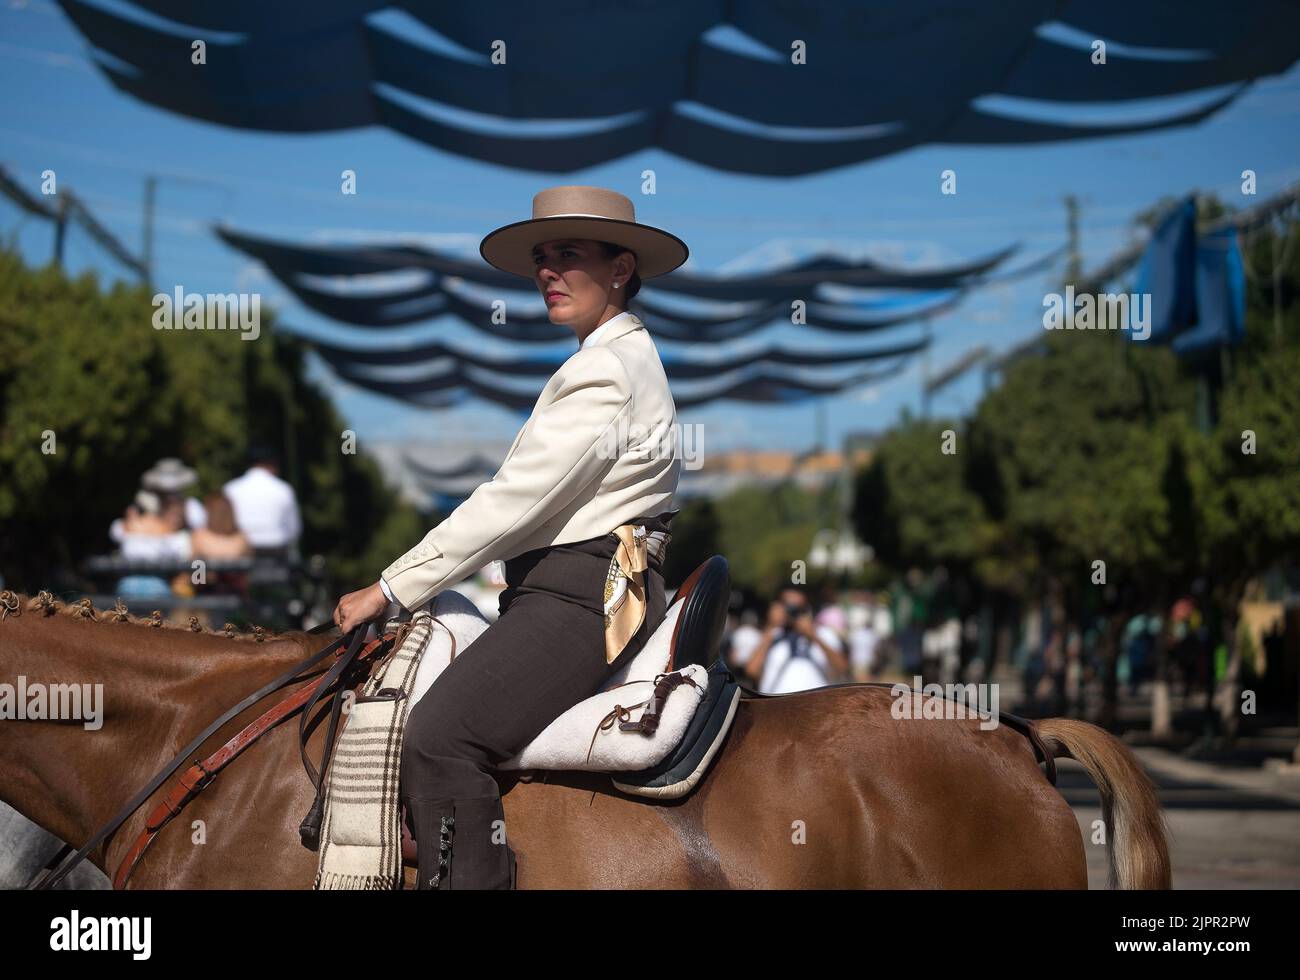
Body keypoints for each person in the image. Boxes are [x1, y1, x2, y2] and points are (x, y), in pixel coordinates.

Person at [332, 185, 689, 890]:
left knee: (438, 740)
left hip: (586, 594)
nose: (547, 272)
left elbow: (510, 504)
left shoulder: (606, 369)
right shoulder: (609, 357)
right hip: (564, 586)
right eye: (542, 258)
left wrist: (390, 586)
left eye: (569, 255)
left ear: (621, 269)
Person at [745, 586, 850, 694]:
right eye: (787, 605)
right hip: (777, 706)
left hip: (817, 705)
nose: (792, 612)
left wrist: (813, 636)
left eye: (798, 608)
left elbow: (842, 668)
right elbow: (751, 671)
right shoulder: (773, 634)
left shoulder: (823, 634)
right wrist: (771, 626)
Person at [222, 445, 301, 554]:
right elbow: (294, 529)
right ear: (272, 464)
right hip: (275, 550)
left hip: (239, 550)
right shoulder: (283, 489)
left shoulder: (230, 489)